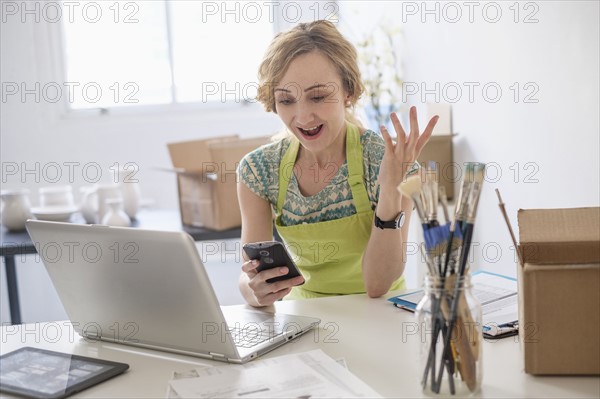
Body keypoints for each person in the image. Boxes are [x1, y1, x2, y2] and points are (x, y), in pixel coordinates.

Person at [237, 20, 438, 307]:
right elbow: (247, 277)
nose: (304, 117)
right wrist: (254, 290)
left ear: (349, 92)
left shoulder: (386, 161)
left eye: (318, 96)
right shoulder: (259, 171)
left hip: (381, 314)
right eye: (286, 100)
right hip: (305, 317)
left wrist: (391, 189)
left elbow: (378, 285)